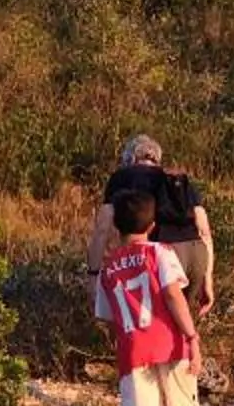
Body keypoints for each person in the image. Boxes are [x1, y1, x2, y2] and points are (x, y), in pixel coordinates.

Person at [96, 185, 204, 406]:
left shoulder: (108, 268)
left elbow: (106, 315)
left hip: (133, 354)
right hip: (170, 345)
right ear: (153, 225)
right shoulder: (160, 253)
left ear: (116, 226)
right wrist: (192, 336)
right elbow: (172, 295)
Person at [90, 132, 215, 317]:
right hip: (197, 255)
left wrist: (93, 274)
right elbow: (205, 232)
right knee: (180, 320)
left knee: (153, 322)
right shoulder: (178, 180)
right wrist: (208, 279)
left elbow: (102, 228)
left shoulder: (122, 177)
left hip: (165, 254)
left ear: (130, 158)